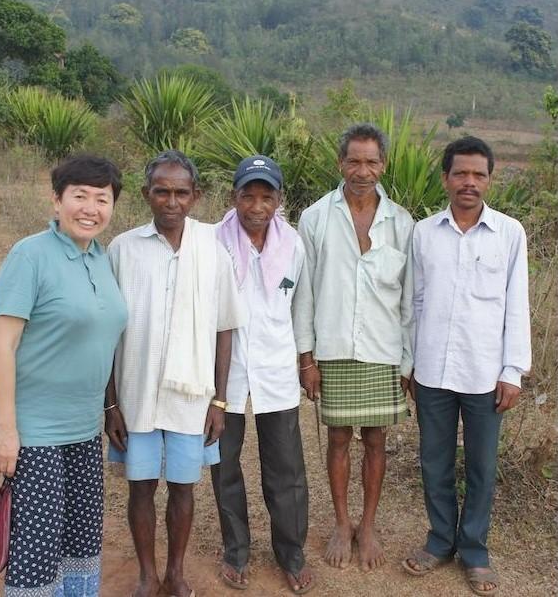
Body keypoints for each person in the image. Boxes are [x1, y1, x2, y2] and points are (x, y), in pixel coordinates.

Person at [105, 150, 245, 597]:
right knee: (141, 488)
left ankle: (177, 572)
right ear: (147, 194)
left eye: (181, 192)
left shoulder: (212, 250)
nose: (171, 201)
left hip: (192, 397)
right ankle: (147, 574)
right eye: (161, 191)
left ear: (196, 196)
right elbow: (106, 331)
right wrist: (110, 403)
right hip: (136, 394)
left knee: (184, 488)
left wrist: (219, 401)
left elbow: (225, 328)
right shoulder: (123, 249)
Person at [0, 155, 127, 596]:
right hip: (35, 431)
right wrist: (6, 430)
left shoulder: (103, 259)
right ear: (56, 201)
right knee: (37, 551)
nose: (90, 208)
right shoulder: (30, 255)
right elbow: (2, 345)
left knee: (80, 540)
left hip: (84, 429)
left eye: (101, 198)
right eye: (79, 196)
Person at [403, 137, 531, 596]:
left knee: (480, 465)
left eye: (478, 174)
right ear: (445, 178)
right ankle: (439, 541)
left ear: (490, 180)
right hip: (432, 370)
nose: (469, 182)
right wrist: (409, 362)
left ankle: (474, 550)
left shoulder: (510, 233)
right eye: (460, 173)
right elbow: (413, 302)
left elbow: (517, 305)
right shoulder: (423, 233)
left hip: (484, 373)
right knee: (434, 462)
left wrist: (512, 370)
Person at [294, 123, 414, 571]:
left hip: (383, 352)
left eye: (371, 161)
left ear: (383, 165)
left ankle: (368, 525)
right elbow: (303, 292)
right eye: (354, 161)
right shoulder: (315, 218)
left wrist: (406, 364)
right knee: (339, 439)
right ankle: (342, 524)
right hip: (335, 349)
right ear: (339, 163)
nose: (362, 171)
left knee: (376, 440)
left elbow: (409, 301)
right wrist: (307, 358)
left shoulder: (402, 223)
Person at [211, 155, 315, 594]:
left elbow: (302, 307)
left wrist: (306, 362)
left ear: (279, 199)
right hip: (224, 374)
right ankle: (236, 550)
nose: (256, 205)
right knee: (224, 464)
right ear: (233, 196)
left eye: (266, 195)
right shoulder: (211, 242)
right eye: (247, 194)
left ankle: (290, 552)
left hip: (275, 370)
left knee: (286, 468)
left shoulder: (293, 245)